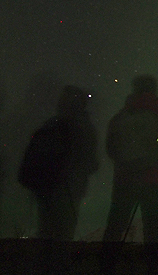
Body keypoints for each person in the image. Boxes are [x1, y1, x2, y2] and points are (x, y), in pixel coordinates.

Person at [101, 75, 158, 275]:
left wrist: (124, 165)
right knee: (153, 230)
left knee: (115, 227)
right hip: (154, 181)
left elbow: (111, 147)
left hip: (125, 180)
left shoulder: (122, 116)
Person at [19, 85, 99, 241]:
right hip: (64, 188)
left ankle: (49, 256)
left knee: (49, 230)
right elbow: (90, 163)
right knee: (62, 232)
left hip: (51, 186)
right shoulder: (82, 127)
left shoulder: (53, 125)